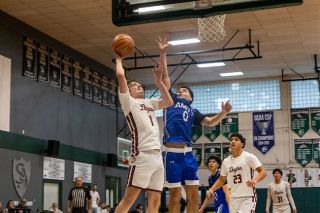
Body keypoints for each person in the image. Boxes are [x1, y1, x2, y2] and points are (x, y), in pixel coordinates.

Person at [157, 35, 232, 213]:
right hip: (172, 153)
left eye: (183, 90)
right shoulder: (171, 100)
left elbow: (211, 122)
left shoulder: (193, 111)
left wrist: (223, 113)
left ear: (190, 97)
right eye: (179, 89)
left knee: (194, 196)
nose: (180, 90)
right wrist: (163, 53)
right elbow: (165, 76)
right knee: (174, 196)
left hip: (188, 154)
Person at [114, 54, 173, 213]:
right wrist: (119, 60)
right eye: (134, 84)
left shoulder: (149, 103)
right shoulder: (128, 102)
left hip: (157, 157)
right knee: (128, 201)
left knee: (155, 202)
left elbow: (168, 101)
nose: (138, 85)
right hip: (141, 155)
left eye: (139, 84)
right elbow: (120, 75)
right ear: (128, 90)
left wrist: (162, 57)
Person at [207, 133, 267, 213]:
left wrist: (255, 181)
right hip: (233, 198)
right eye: (231, 140)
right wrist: (212, 189)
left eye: (236, 140)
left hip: (248, 196)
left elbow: (263, 172)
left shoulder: (249, 157)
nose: (233, 141)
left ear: (242, 144)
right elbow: (221, 180)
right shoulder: (226, 161)